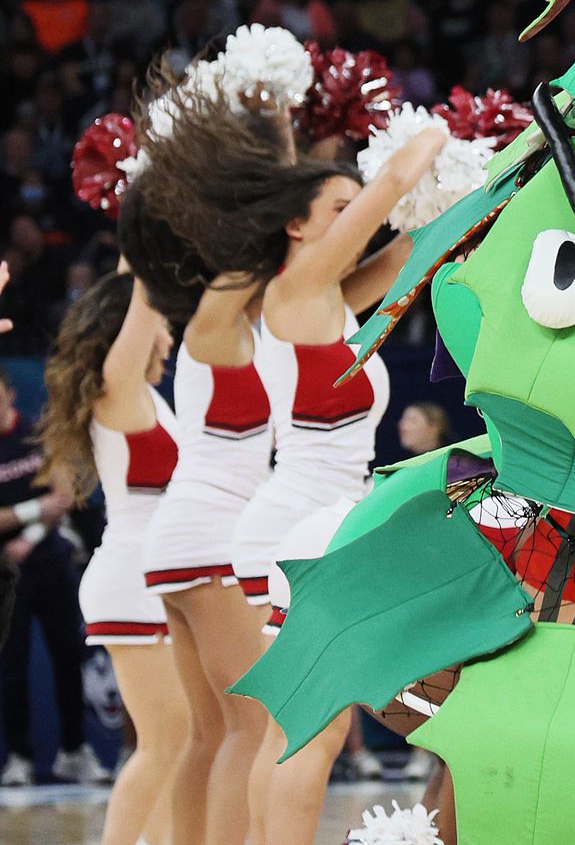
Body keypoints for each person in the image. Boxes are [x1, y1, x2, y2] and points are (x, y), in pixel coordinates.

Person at [136, 81, 446, 845]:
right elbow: (399, 180)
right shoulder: (298, 289)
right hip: (302, 526)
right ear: (297, 227)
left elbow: (411, 250)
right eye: (339, 213)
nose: (355, 223)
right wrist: (448, 139)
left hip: (317, 521)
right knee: (310, 729)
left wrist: (468, 196)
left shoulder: (329, 300)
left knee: (303, 729)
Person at [121, 176, 274, 845]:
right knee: (251, 724)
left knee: (210, 732)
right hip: (210, 533)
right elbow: (252, 250)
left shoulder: (258, 328)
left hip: (183, 537)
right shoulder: (215, 326)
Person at [36, 271, 186, 845]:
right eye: (162, 324)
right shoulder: (116, 388)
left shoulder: (147, 397)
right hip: (133, 574)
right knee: (167, 741)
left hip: (159, 574)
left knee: (186, 739)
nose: (169, 337)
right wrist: (146, 224)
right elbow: (141, 294)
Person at [0, 364, 108, 787]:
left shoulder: (40, 435)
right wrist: (32, 512)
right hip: (5, 572)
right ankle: (19, 759)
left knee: (68, 655)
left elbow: (63, 496)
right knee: (11, 664)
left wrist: (27, 531)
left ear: (9, 394)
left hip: (49, 558)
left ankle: (74, 751)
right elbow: (43, 504)